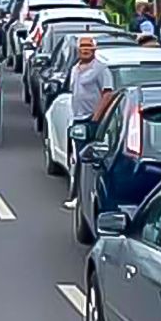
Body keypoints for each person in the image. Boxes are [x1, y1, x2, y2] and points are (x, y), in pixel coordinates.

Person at [62, 36, 115, 211]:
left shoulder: (101, 69)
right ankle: (77, 194)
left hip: (92, 120)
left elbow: (108, 93)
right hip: (78, 119)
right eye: (82, 47)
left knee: (88, 159)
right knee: (79, 158)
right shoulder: (75, 69)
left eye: (88, 47)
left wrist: (96, 116)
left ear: (94, 49)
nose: (85, 49)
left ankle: (82, 196)